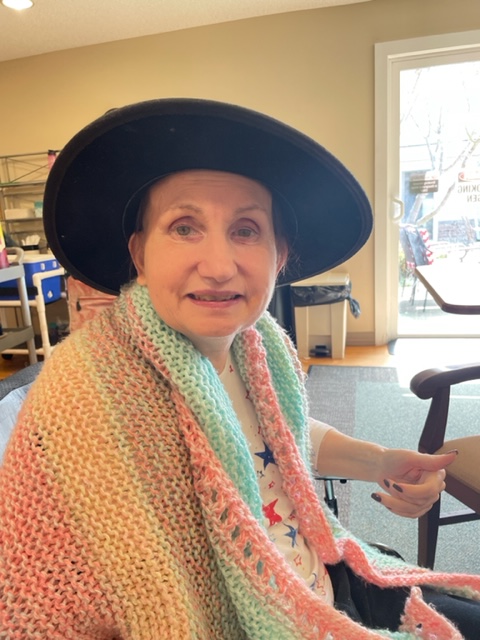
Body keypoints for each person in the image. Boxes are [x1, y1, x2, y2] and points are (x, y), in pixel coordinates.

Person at [0, 99, 479, 640]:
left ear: (279, 255)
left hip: (320, 579)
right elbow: (36, 608)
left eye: (246, 230)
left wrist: (380, 460)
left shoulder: (261, 346)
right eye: (184, 227)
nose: (219, 266)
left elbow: (273, 436)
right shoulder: (85, 397)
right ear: (139, 255)